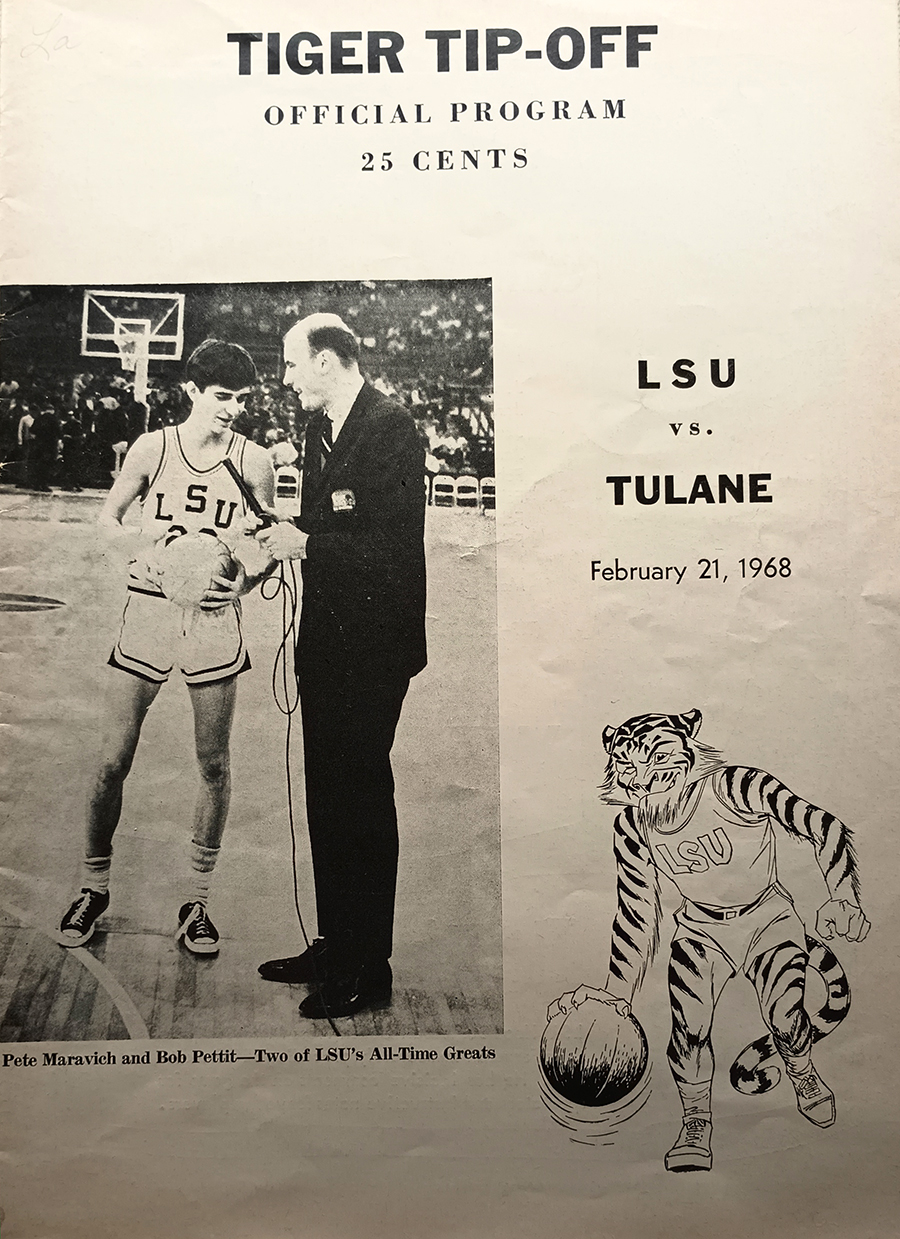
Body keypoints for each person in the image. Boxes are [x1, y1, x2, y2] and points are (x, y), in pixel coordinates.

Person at [550, 709, 870, 1172]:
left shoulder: (734, 786)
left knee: (785, 1017)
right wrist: (614, 997)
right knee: (688, 1033)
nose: (644, 777)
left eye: (658, 756)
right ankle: (696, 1123)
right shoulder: (631, 827)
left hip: (768, 918)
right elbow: (637, 910)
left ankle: (802, 1074)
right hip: (699, 929)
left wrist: (844, 897)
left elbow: (824, 826)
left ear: (689, 745)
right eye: (627, 766)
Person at [58, 340, 274, 955]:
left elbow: (269, 540)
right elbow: (106, 522)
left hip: (212, 617)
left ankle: (196, 902)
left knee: (213, 764)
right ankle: (93, 887)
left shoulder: (253, 460)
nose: (234, 409)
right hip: (148, 610)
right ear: (193, 392)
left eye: (243, 399)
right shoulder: (153, 448)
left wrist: (247, 579)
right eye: (223, 397)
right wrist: (149, 543)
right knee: (111, 760)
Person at [255, 314, 427, 1018]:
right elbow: (321, 527)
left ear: (326, 360)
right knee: (327, 797)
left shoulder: (392, 427)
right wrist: (283, 541)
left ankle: (370, 965)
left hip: (375, 649)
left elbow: (390, 547)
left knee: (360, 799)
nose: (288, 377)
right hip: (325, 643)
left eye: (294, 364)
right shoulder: (317, 428)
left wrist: (304, 546)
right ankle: (336, 939)